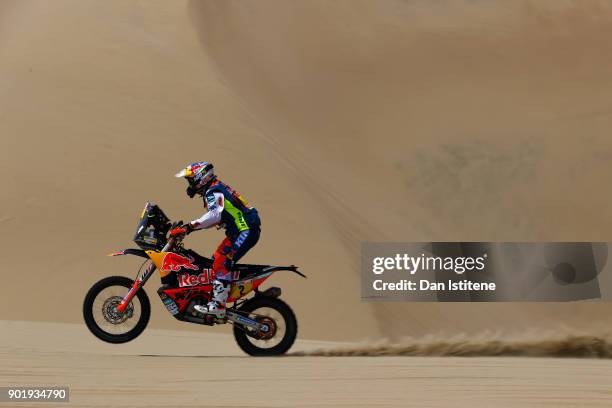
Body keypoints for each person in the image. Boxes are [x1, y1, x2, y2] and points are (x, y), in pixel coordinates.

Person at [170, 161, 261, 318]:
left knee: (221, 264)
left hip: (245, 231)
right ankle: (219, 296)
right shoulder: (215, 188)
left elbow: (214, 215)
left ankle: (219, 305)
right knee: (215, 261)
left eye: (190, 180)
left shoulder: (214, 190)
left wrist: (189, 227)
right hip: (239, 231)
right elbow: (218, 217)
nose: (189, 184)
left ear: (201, 178)